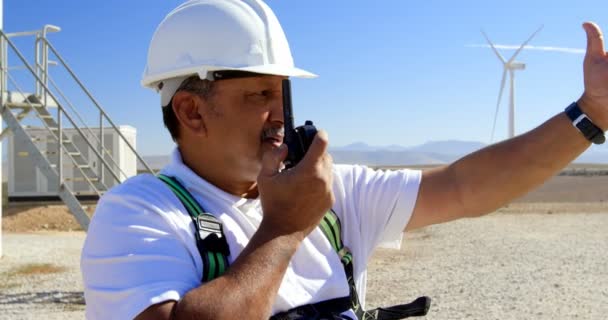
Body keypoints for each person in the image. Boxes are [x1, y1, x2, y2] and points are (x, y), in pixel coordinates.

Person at [80, 0, 608, 319]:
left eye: (283, 96)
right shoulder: (138, 213)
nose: (280, 115)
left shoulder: (333, 192)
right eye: (258, 96)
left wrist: (590, 114)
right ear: (191, 111)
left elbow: (466, 185)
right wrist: (285, 228)